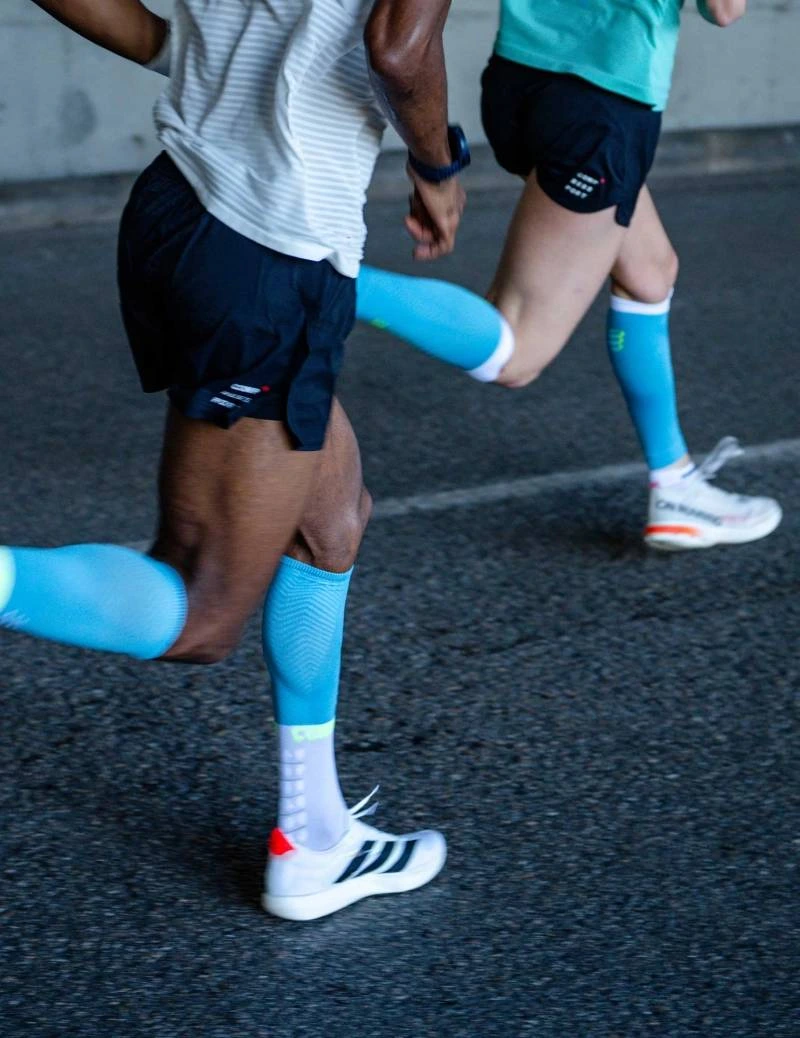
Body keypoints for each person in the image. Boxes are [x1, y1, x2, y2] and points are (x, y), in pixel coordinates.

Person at [4, 0, 472, 921]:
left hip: (182, 205)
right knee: (204, 610)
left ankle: (314, 833)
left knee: (332, 519)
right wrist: (437, 165)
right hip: (274, 240)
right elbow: (398, 47)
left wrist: (179, 47)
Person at [354, 0, 783, 551]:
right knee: (517, 354)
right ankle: (324, 280)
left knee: (650, 272)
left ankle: (676, 484)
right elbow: (725, 10)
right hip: (603, 100)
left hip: (518, 82)